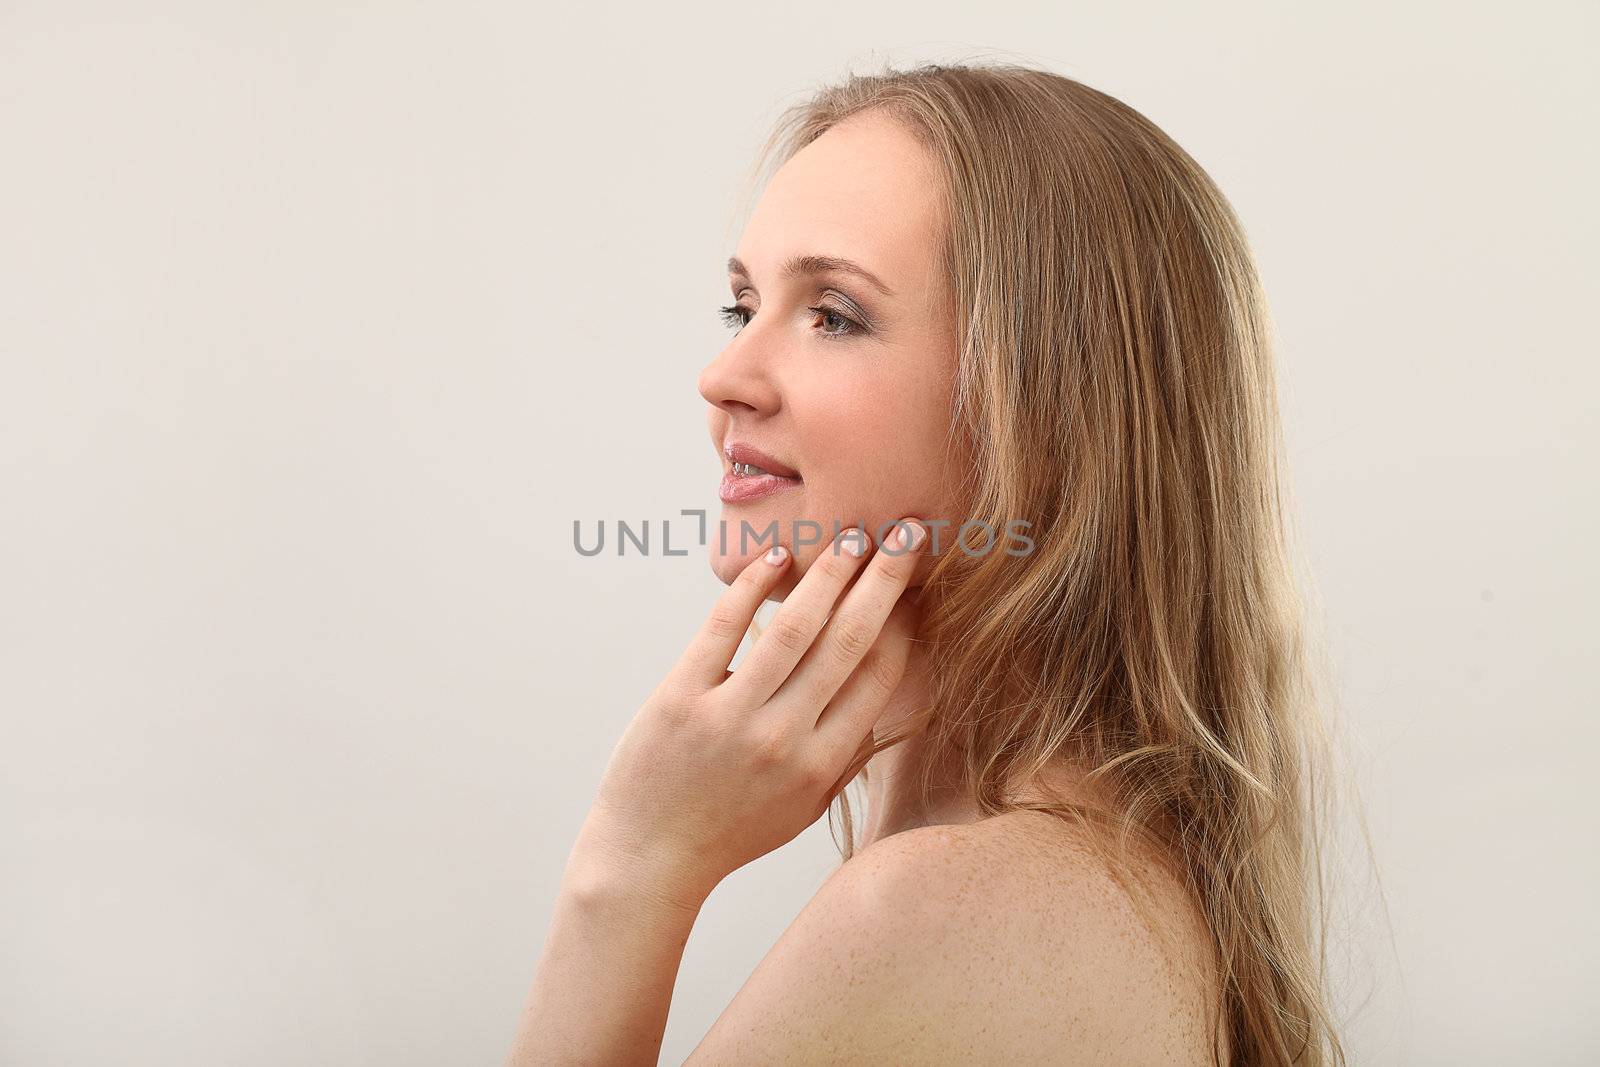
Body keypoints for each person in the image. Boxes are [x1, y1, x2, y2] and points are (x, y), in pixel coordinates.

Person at [508, 60, 1344, 1066]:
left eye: (833, 313)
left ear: (1042, 414)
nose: (723, 374)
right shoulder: (1091, 874)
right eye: (744, 306)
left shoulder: (942, 908)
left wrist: (630, 864)